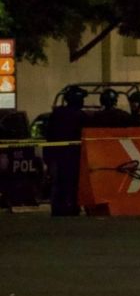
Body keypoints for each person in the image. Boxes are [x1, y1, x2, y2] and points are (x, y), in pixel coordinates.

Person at [45, 86, 88, 216]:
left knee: (59, 182)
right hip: (73, 155)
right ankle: (71, 206)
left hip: (57, 154)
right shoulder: (79, 115)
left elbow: (49, 134)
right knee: (71, 182)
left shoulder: (57, 114)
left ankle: (59, 207)